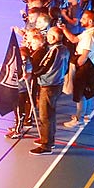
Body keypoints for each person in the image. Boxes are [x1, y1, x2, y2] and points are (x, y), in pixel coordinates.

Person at [29, 24, 69, 154]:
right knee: (50, 114)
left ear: (53, 37)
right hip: (58, 84)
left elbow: (45, 67)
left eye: (48, 35)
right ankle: (48, 139)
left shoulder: (55, 50)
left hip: (49, 85)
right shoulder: (65, 49)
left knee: (45, 115)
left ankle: (46, 145)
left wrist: (33, 74)